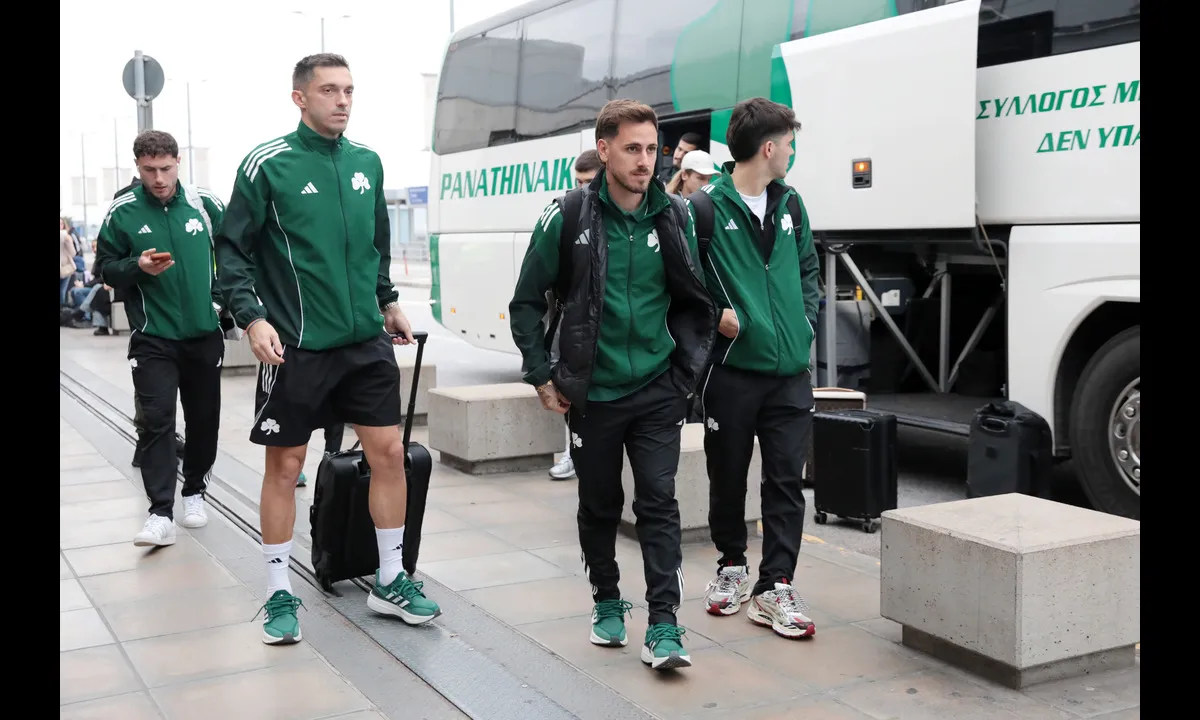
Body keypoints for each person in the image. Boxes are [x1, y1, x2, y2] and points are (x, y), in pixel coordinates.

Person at [216, 53, 440, 646]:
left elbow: (374, 244)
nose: (342, 101)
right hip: (297, 345)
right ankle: (277, 591)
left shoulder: (367, 162)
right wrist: (251, 318)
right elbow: (232, 250)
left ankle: (390, 578)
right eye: (329, 91)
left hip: (364, 341)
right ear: (300, 98)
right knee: (286, 467)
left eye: (348, 90)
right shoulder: (268, 164)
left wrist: (387, 301)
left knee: (388, 454)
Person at [509, 99, 717, 671]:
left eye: (652, 149)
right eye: (631, 149)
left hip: (658, 388)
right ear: (604, 150)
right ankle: (606, 600)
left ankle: (665, 624)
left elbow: (695, 297)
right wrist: (541, 374)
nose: (645, 160)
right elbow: (525, 303)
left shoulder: (676, 215)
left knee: (659, 502)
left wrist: (685, 373)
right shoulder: (567, 215)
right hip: (593, 393)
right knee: (599, 504)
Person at [692, 97, 820, 640]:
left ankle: (775, 586)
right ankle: (731, 566)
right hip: (732, 371)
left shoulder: (791, 204)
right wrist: (715, 315)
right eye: (788, 143)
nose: (791, 152)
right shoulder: (703, 208)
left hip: (789, 373)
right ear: (768, 148)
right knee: (727, 475)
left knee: (787, 480)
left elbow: (809, 268)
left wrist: (805, 323)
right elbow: (679, 280)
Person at [94, 130, 226, 547]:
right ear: (137, 167)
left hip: (204, 335)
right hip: (153, 338)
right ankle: (160, 513)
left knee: (204, 420)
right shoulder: (123, 211)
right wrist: (137, 266)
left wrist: (220, 304)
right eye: (149, 170)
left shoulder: (206, 205)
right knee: (156, 421)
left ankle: (195, 492)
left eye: (166, 168)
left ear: (178, 162)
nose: (159, 178)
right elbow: (104, 268)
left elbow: (236, 256)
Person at [547, 149, 604, 482]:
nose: (582, 189)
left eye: (588, 181)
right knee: (571, 392)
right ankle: (572, 450)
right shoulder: (567, 214)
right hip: (573, 327)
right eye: (577, 181)